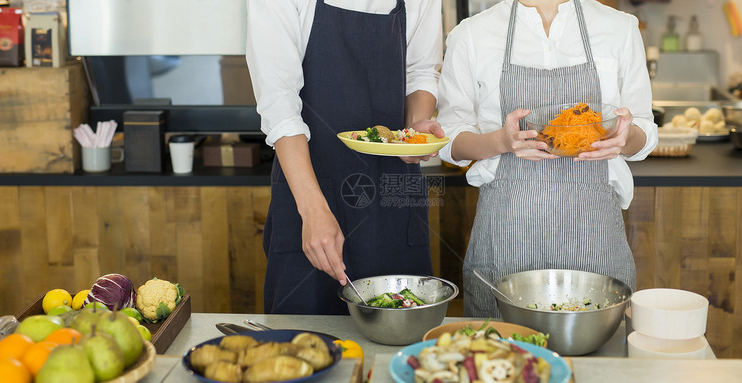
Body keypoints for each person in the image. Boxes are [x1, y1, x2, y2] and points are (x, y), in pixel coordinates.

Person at [436, 0, 657, 317]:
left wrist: (624, 138)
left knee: (597, 361)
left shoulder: (620, 28)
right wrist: (501, 141)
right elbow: (450, 140)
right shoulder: (472, 34)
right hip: (506, 239)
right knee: (500, 356)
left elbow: (644, 131)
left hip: (595, 240)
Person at [246, 0, 444, 314]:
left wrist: (412, 133)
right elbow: (279, 102)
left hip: (393, 193)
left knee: (400, 343)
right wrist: (312, 211)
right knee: (305, 342)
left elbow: (421, 72)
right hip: (308, 188)